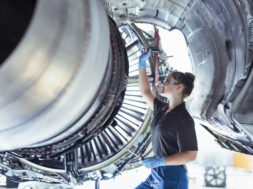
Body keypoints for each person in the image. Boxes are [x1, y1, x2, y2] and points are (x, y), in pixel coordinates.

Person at [135, 48, 198, 189]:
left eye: (168, 80)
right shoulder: (161, 109)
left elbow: (191, 155)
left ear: (179, 87)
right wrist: (141, 65)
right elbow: (145, 92)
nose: (162, 83)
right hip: (157, 174)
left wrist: (160, 161)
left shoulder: (184, 119)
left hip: (172, 176)